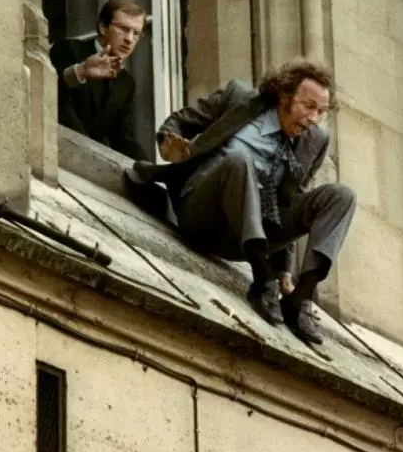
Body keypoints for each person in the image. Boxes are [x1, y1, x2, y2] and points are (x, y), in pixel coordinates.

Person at [124, 60, 356, 345]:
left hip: (247, 236)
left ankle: (300, 299)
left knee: (342, 196)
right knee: (239, 161)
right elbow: (179, 121)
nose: (313, 118)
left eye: (320, 111)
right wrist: (169, 145)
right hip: (202, 214)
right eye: (308, 106)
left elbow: (292, 198)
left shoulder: (315, 141)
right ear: (285, 96)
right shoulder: (239, 98)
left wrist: (284, 270)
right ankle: (261, 280)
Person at [49, 0, 149, 160]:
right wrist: (81, 71)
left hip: (88, 163)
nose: (130, 39)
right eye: (123, 29)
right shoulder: (69, 49)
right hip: (56, 153)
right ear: (103, 27)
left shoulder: (126, 83)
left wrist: (152, 170)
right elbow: (51, 98)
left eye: (136, 33)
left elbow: (123, 139)